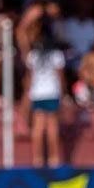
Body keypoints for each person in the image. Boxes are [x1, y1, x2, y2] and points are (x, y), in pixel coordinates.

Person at [26, 18, 65, 168]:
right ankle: (54, 159)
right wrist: (63, 94)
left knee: (38, 127)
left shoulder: (33, 55)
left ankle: (37, 160)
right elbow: (60, 77)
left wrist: (28, 95)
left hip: (37, 93)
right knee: (52, 128)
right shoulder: (56, 55)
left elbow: (29, 77)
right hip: (52, 92)